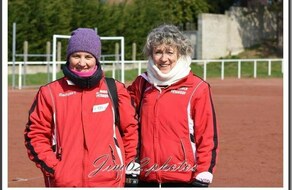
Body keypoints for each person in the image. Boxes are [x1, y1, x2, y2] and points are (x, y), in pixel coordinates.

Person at [24, 28, 139, 187]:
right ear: (68, 57)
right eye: (76, 56)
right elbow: (35, 135)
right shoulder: (49, 92)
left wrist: (125, 168)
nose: (82, 62)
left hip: (109, 182)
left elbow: (131, 131)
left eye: (88, 57)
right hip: (65, 183)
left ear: (96, 59)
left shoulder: (115, 89)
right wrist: (56, 169)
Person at [127, 24, 219, 187]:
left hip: (183, 178)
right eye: (158, 52)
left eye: (169, 52)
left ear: (180, 54)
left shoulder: (198, 88)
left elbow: (207, 135)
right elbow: (126, 124)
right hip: (146, 177)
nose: (163, 59)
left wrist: (204, 172)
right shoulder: (141, 84)